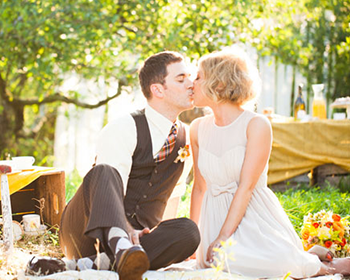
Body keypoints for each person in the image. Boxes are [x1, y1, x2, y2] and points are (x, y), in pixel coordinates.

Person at [26, 51, 200, 280]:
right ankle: (117, 246)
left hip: (137, 242)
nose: (191, 84)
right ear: (158, 89)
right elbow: (105, 186)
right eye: (181, 79)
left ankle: (90, 264)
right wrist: (126, 229)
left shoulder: (187, 138)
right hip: (86, 230)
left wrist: (162, 238)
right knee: (104, 171)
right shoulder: (124, 127)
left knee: (189, 232)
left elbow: (172, 198)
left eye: (191, 77)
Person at [189, 48, 350, 278]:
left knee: (270, 263)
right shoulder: (197, 128)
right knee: (217, 265)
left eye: (198, 77)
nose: (191, 84)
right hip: (214, 217)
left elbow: (246, 187)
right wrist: (193, 241)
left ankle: (328, 266)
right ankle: (307, 255)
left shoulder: (256, 124)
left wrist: (224, 237)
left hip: (252, 214)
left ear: (220, 85)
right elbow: (199, 187)